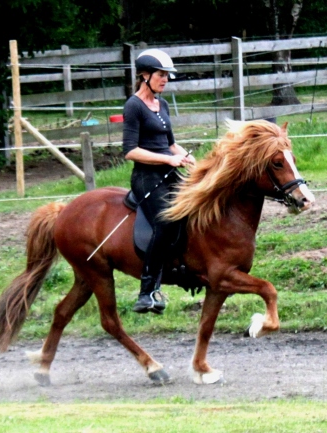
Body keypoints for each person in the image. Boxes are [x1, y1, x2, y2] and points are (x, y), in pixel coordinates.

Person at [122, 48, 195, 315]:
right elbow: (130, 150)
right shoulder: (133, 106)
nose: (166, 80)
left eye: (167, 76)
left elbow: (171, 144)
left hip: (170, 173)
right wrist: (167, 160)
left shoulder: (161, 104)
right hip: (146, 178)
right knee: (165, 222)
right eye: (161, 75)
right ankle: (147, 291)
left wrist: (188, 159)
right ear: (145, 75)